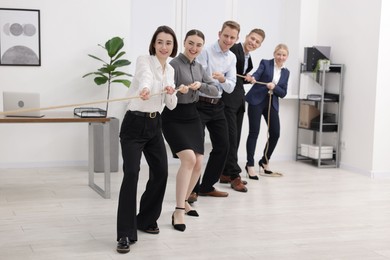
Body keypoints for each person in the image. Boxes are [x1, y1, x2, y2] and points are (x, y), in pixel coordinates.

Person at [116, 25, 178, 254]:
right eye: (160, 42)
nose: (164, 47)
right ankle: (124, 233)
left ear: (173, 47)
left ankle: (145, 219)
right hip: (134, 124)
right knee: (131, 173)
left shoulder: (170, 69)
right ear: (154, 44)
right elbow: (146, 78)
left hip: (154, 124)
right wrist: (145, 89)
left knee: (161, 171)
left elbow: (171, 105)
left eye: (168, 43)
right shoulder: (144, 59)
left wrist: (171, 93)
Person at [162, 29, 218, 232]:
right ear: (184, 43)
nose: (194, 48)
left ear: (202, 47)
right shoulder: (173, 65)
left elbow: (215, 90)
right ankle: (178, 210)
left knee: (199, 162)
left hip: (193, 116)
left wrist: (200, 85)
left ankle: (185, 200)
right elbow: (165, 91)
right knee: (189, 160)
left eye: (198, 45)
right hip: (174, 116)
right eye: (190, 43)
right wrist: (179, 89)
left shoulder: (200, 67)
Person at [190, 20, 241, 200]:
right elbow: (201, 80)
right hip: (200, 104)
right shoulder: (205, 51)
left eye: (232, 37)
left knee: (223, 146)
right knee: (197, 149)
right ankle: (192, 190)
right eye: (226, 35)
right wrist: (219, 81)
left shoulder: (232, 58)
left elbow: (230, 87)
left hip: (218, 105)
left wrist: (221, 80)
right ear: (219, 34)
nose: (228, 40)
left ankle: (207, 186)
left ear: (236, 39)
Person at [219, 28, 266, 187]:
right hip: (227, 101)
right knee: (231, 139)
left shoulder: (249, 59)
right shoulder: (233, 50)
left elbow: (238, 78)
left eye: (257, 42)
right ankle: (234, 175)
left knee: (236, 138)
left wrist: (249, 79)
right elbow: (227, 73)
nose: (253, 43)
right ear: (246, 37)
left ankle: (225, 172)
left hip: (239, 102)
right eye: (252, 38)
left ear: (259, 45)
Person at [245, 43, 290, 177]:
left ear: (287, 57)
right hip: (256, 101)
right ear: (274, 54)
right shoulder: (265, 63)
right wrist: (253, 78)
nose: (281, 57)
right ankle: (250, 164)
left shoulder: (286, 72)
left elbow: (283, 93)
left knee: (275, 133)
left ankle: (264, 161)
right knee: (254, 132)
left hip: (272, 103)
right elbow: (257, 74)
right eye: (278, 54)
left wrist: (274, 87)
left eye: (283, 55)